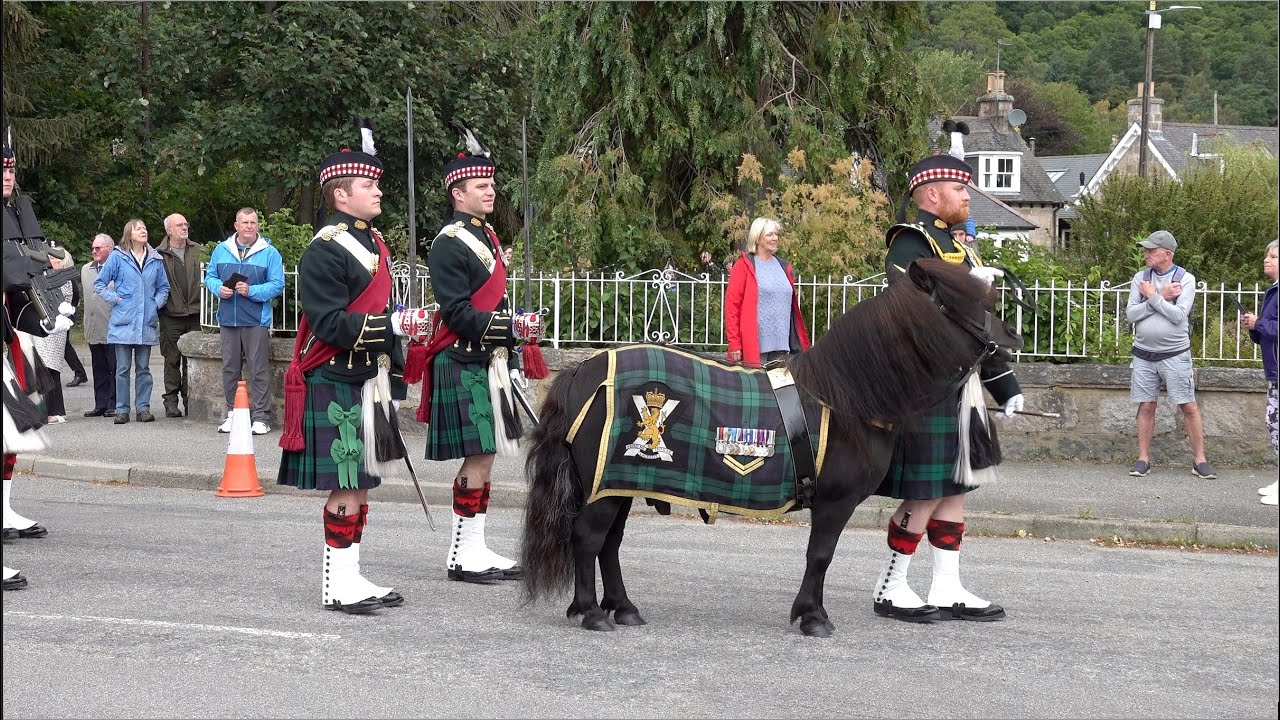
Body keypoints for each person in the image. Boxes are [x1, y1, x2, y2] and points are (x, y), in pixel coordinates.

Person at [873, 153, 1024, 623]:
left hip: (964, 385)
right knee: (928, 489)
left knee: (957, 487)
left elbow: (978, 328)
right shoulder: (909, 242)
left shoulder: (961, 248)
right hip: (926, 384)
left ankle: (947, 585)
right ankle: (891, 585)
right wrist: (965, 286)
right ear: (933, 192)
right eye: (960, 189)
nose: (966, 197)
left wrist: (1006, 386)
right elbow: (910, 311)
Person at [277, 147, 414, 613]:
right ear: (341, 195)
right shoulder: (323, 250)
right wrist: (391, 327)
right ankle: (337, 585)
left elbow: (378, 309)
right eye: (368, 185)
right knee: (347, 477)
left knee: (360, 480)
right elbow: (331, 323)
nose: (378, 191)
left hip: (368, 378)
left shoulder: (375, 245)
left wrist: (395, 370)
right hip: (335, 376)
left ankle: (351, 575)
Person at [421, 147, 530, 583]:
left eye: (491, 184)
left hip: (490, 358)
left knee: (486, 456)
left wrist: (515, 344)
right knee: (480, 454)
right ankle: (462, 553)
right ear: (458, 193)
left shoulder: (488, 237)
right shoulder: (449, 243)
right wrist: (511, 327)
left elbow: (496, 301)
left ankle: (474, 546)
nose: (491, 191)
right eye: (481, 186)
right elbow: (457, 311)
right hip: (463, 357)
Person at [3, 143, 71, 582]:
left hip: (6, 335)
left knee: (14, 432)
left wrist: (43, 312)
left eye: (10, 172)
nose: (7, 178)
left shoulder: (14, 218)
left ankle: (3, 508)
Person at [1125, 230, 1215, 480]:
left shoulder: (1185, 279)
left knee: (1188, 405)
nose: (1146, 255)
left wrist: (1152, 296)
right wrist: (1161, 297)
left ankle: (1200, 460)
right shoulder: (1140, 278)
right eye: (1146, 250)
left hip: (1175, 354)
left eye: (1152, 251)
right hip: (1143, 354)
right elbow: (1131, 315)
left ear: (1168, 254)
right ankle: (1143, 458)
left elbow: (1178, 316)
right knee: (1146, 404)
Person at [204, 208, 284, 435]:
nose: (249, 226)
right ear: (236, 225)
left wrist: (251, 290)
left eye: (253, 222)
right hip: (228, 318)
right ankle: (233, 414)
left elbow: (278, 285)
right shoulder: (221, 250)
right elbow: (209, 276)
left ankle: (261, 417)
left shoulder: (270, 253)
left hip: (256, 319)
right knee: (230, 368)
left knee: (258, 369)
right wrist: (218, 288)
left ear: (258, 225)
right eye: (245, 222)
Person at [93, 219, 170, 424]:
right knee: (122, 368)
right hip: (124, 321)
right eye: (139, 229)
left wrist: (156, 303)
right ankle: (122, 410)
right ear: (129, 233)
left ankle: (143, 408)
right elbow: (99, 283)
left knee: (144, 368)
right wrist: (115, 299)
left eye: (145, 228)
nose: (143, 231)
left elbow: (164, 287)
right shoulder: (118, 257)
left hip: (146, 320)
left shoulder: (155, 258)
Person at [724, 217, 810, 368]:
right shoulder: (743, 266)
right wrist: (735, 343)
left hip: (784, 347)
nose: (775, 238)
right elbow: (732, 307)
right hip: (755, 348)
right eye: (770, 234)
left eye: (776, 234)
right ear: (757, 238)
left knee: (783, 390)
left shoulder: (784, 267)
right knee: (756, 389)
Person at [1241, 240, 1278, 505]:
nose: (1267, 259)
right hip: (1274, 370)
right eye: (1267, 255)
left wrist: (1260, 323)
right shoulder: (1272, 291)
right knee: (1274, 424)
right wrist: (1254, 327)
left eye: (1274, 256)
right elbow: (1266, 333)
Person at [156, 213, 202, 417]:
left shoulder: (198, 250)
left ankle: (191, 401)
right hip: (170, 315)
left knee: (191, 362)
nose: (184, 227)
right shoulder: (158, 254)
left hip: (195, 313)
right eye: (179, 224)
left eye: (186, 223)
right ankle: (171, 402)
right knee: (172, 360)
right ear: (169, 230)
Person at [32, 249, 75, 423]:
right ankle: (54, 410)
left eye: (54, 258)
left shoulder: (63, 279)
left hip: (56, 326)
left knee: (51, 368)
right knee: (45, 368)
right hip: (46, 326)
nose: (50, 261)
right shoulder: (43, 276)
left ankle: (52, 411)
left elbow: (68, 301)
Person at [81, 234, 117, 417]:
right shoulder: (86, 269)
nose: (94, 251)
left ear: (109, 249)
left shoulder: (118, 268)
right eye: (93, 248)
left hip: (112, 327)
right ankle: (100, 403)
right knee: (98, 368)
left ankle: (114, 403)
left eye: (98, 248)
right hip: (93, 326)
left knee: (114, 368)